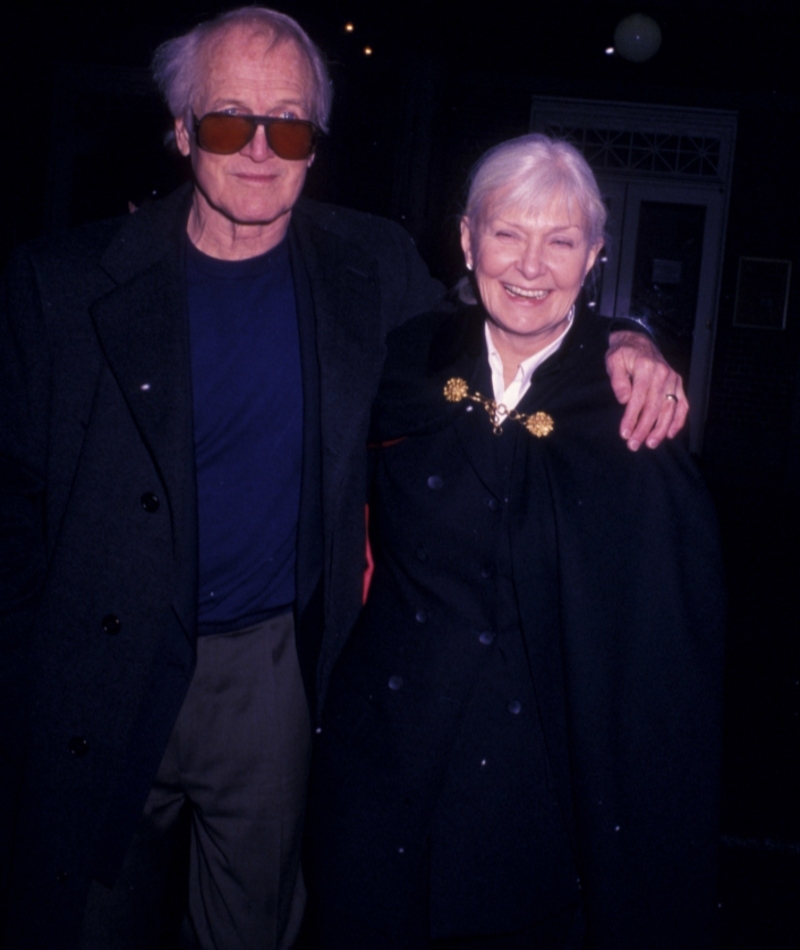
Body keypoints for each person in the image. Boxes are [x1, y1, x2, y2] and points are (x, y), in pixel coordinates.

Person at [0, 7, 685, 948]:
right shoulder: (60, 285)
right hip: (95, 667)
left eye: (287, 124)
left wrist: (629, 340)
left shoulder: (370, 267)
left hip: (271, 674)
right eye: (230, 120)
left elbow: (511, 310)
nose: (258, 150)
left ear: (314, 144)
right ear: (180, 128)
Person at [306, 134, 725, 949]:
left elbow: (672, 639)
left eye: (561, 240)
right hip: (383, 755)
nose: (531, 266)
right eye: (507, 233)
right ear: (466, 238)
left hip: (534, 784)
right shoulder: (403, 362)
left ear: (595, 255)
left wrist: (628, 333)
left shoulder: (629, 413)